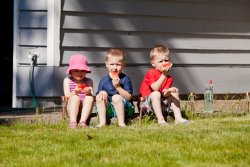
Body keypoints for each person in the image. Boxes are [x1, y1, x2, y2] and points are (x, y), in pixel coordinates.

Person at [139, 44, 190, 126]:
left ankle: (178, 118)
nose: (164, 63)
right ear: (153, 63)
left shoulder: (169, 78)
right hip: (146, 105)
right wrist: (164, 75)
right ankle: (161, 120)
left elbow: (164, 93)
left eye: (166, 60)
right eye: (160, 61)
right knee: (156, 93)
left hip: (161, 104)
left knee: (174, 92)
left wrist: (169, 91)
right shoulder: (151, 73)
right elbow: (155, 88)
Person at [95, 48, 135, 128]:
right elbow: (98, 95)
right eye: (112, 64)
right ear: (106, 64)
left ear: (123, 65)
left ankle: (121, 124)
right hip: (109, 110)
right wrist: (102, 92)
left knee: (116, 97)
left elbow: (129, 97)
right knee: (99, 97)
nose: (115, 67)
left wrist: (118, 87)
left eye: (118, 64)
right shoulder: (104, 80)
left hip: (125, 109)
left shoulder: (125, 79)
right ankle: (102, 123)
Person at [63, 53, 94, 128]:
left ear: (86, 71)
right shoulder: (67, 80)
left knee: (90, 98)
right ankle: (73, 122)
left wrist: (88, 91)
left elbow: (92, 95)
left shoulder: (89, 81)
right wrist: (74, 92)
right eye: (76, 71)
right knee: (75, 97)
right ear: (71, 71)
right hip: (71, 108)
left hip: (84, 108)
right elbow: (67, 96)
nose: (80, 73)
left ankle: (82, 121)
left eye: (83, 71)